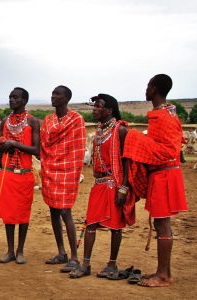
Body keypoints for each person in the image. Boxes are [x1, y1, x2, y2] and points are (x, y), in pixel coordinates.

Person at [123, 74, 188, 287]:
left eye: (148, 85)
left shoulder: (163, 117)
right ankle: (163, 272)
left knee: (162, 224)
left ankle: (163, 276)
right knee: (162, 224)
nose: (146, 89)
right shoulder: (165, 114)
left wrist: (132, 136)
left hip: (165, 175)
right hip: (163, 174)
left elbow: (169, 150)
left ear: (154, 88)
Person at [69, 94, 136, 278]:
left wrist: (123, 188)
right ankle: (86, 265)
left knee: (115, 227)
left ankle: (112, 265)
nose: (95, 109)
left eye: (98, 106)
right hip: (98, 184)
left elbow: (126, 162)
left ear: (109, 110)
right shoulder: (99, 130)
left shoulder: (120, 131)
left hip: (114, 184)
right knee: (90, 223)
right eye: (95, 106)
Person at [41, 85, 86, 272]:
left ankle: (74, 257)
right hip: (50, 169)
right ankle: (61, 253)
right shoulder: (48, 120)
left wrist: (70, 168)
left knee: (65, 212)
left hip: (67, 171)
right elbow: (44, 144)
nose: (53, 97)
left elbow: (78, 148)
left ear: (66, 98)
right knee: (53, 211)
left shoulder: (76, 119)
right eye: (52, 93)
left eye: (57, 94)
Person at [0, 87, 40, 264]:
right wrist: (3, 143)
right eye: (10, 97)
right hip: (7, 174)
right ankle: (9, 251)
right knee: (8, 214)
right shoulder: (4, 121)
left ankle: (20, 250)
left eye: (15, 97)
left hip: (24, 174)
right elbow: (0, 147)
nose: (11, 100)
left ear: (24, 101)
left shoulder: (33, 122)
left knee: (22, 214)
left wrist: (15, 143)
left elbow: (37, 150)